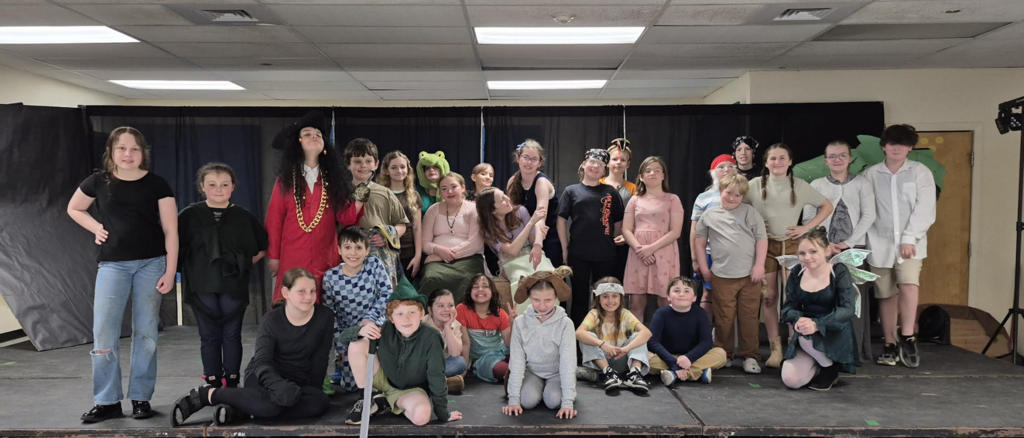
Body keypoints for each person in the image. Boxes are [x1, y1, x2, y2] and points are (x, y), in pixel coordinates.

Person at [68, 126, 178, 422]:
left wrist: (171, 270)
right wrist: (96, 228)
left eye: (134, 149)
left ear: (143, 153)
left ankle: (141, 397)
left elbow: (171, 229)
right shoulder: (98, 181)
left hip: (151, 264)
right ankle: (107, 401)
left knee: (146, 334)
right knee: (104, 331)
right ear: (111, 152)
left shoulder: (157, 184)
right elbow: (75, 208)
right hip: (113, 265)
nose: (128, 154)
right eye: (121, 148)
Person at [169, 268, 333, 427]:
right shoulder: (271, 320)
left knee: (319, 403)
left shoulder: (325, 316)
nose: (309, 297)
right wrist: (278, 386)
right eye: (302, 291)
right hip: (263, 376)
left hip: (297, 381)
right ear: (286, 292)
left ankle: (242, 411)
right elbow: (262, 362)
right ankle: (208, 395)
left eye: (312, 291)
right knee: (273, 404)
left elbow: (320, 359)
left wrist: (312, 391)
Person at [178, 163, 268, 389]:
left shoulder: (243, 217)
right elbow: (175, 246)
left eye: (224, 185)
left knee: (231, 334)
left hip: (233, 285)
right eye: (212, 185)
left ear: (233, 187)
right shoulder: (189, 215)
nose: (219, 189)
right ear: (202, 187)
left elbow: (261, 247)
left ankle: (232, 379)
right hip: (201, 285)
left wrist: (243, 264)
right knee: (208, 335)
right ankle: (212, 379)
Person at [744, 143, 833, 369]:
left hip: (793, 246)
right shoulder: (754, 185)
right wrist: (752, 219)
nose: (777, 162)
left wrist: (807, 228)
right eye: (773, 158)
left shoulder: (800, 185)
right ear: (765, 163)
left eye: (782, 158)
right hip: (765, 245)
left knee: (792, 297)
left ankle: (796, 344)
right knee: (769, 297)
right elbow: (736, 207)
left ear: (790, 161)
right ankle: (776, 348)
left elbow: (826, 206)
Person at [265, 111, 363, 302]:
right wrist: (274, 256)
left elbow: (346, 218)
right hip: (292, 254)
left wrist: (359, 201)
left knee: (324, 303)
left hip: (325, 254)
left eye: (318, 134)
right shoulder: (285, 180)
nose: (315, 136)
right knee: (293, 302)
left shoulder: (334, 180)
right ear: (298, 143)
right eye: (308, 133)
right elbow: (274, 219)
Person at [864, 124, 936, 368]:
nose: (897, 147)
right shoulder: (870, 174)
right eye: (892, 143)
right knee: (885, 295)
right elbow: (864, 209)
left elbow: (925, 208)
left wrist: (909, 237)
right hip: (878, 242)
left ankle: (907, 336)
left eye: (903, 143)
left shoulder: (920, 172)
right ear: (884, 146)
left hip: (911, 244)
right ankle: (889, 343)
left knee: (908, 285)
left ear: (910, 147)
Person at [341, 284, 463, 426]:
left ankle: (385, 402)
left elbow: (437, 375)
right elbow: (343, 338)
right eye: (399, 314)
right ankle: (367, 399)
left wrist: (443, 413)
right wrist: (360, 331)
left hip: (411, 389)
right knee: (357, 344)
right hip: (383, 379)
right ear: (391, 318)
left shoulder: (431, 337)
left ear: (422, 314)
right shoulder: (386, 328)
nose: (406, 319)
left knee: (421, 417)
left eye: (412, 312)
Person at [802, 140, 877, 362]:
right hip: (823, 252)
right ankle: (825, 351)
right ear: (826, 161)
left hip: (854, 249)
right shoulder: (817, 184)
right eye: (832, 156)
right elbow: (808, 218)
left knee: (852, 300)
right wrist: (825, 244)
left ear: (850, 158)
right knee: (824, 299)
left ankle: (853, 351)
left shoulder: (862, 184)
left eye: (842, 156)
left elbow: (868, 215)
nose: (837, 160)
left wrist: (848, 243)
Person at [695, 174, 768, 374]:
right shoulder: (709, 215)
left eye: (737, 195)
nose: (732, 198)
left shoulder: (750, 213)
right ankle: (723, 353)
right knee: (723, 317)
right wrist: (704, 268)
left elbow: (761, 239)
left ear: (742, 196)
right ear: (721, 191)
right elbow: (700, 243)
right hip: (722, 275)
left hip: (749, 276)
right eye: (728, 193)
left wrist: (759, 266)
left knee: (749, 317)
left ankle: (750, 355)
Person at [780, 229, 861, 390]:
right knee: (791, 380)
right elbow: (788, 306)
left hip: (833, 329)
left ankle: (829, 370)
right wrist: (798, 319)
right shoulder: (797, 272)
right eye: (802, 253)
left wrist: (817, 324)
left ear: (827, 251)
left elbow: (847, 308)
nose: (807, 257)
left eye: (813, 251)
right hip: (807, 332)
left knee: (806, 336)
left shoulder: (838, 271)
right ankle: (819, 362)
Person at [557, 148, 625, 328]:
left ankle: (603, 336)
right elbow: (561, 219)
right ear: (584, 164)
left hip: (606, 254)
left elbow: (618, 221)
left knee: (604, 297)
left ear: (604, 170)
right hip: (578, 253)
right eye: (592, 163)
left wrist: (616, 239)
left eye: (601, 165)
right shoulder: (571, 191)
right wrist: (564, 248)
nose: (595, 167)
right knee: (579, 298)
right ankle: (578, 342)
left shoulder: (611, 192)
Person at [322, 227, 392, 393]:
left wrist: (370, 317)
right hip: (349, 335)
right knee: (351, 386)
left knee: (378, 383)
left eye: (359, 247)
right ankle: (343, 367)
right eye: (347, 247)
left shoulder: (374, 265)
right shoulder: (330, 277)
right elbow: (330, 314)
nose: (353, 253)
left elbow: (387, 293)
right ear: (339, 249)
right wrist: (340, 346)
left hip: (375, 327)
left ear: (367, 250)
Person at [503, 271, 578, 420]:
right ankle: (534, 389)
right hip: (532, 372)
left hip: (557, 373)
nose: (542, 306)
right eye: (536, 300)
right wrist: (513, 400)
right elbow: (517, 362)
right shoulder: (520, 322)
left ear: (556, 297)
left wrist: (567, 403)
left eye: (548, 300)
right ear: (530, 297)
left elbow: (568, 363)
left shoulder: (565, 324)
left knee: (554, 401)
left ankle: (560, 389)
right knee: (526, 401)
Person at [475, 187, 559, 312]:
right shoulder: (488, 228)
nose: (507, 199)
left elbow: (532, 240)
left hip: (529, 254)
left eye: (505, 195)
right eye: (502, 200)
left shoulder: (521, 211)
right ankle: (525, 318)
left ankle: (552, 315)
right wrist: (531, 223)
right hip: (510, 261)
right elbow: (512, 251)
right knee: (520, 281)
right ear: (492, 210)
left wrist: (538, 237)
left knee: (550, 274)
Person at [622, 156, 684, 323]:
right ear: (641, 176)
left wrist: (651, 248)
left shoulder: (672, 199)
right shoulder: (634, 200)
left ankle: (664, 344)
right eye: (647, 171)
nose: (652, 174)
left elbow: (675, 231)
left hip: (663, 252)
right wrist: (640, 249)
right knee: (636, 303)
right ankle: (637, 345)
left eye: (657, 170)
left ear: (663, 175)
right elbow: (626, 229)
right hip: (638, 253)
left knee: (665, 302)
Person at [345, 138, 409, 287]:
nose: (363, 165)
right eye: (357, 161)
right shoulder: (340, 192)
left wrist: (386, 236)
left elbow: (401, 224)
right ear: (348, 165)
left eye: (368, 161)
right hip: (349, 255)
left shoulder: (385, 193)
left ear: (376, 164)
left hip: (380, 256)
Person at [575, 277, 652, 394]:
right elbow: (579, 333)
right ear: (598, 299)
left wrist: (627, 348)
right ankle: (608, 373)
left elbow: (647, 333)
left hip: (622, 358)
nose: (610, 300)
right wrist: (602, 344)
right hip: (601, 360)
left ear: (621, 298)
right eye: (605, 296)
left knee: (639, 336)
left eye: (614, 296)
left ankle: (634, 373)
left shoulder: (625, 314)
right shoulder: (594, 314)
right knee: (586, 336)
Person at [646, 277, 727, 386]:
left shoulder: (701, 314)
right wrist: (673, 362)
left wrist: (689, 358)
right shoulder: (661, 314)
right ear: (668, 296)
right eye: (676, 291)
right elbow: (653, 342)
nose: (681, 294)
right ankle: (697, 372)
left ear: (694, 298)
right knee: (645, 359)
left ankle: (675, 374)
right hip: (667, 356)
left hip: (693, 357)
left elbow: (706, 342)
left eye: (686, 291)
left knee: (721, 354)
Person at [420, 172, 485, 302]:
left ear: (463, 187)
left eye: (453, 186)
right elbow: (424, 242)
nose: (449, 191)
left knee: (467, 280)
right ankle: (429, 318)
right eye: (444, 188)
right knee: (431, 277)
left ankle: (461, 318)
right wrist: (438, 250)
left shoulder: (474, 209)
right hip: (437, 262)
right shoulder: (433, 209)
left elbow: (475, 244)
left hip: (469, 258)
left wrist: (443, 255)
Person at [689, 155, 738, 315]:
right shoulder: (704, 198)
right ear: (713, 172)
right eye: (721, 167)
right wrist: (695, 258)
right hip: (709, 253)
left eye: (730, 166)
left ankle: (727, 337)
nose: (726, 170)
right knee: (708, 292)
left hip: (735, 254)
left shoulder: (745, 196)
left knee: (732, 296)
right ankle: (706, 334)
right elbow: (694, 230)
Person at [507, 139, 562, 268]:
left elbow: (540, 217)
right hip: (524, 240)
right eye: (526, 157)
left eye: (534, 159)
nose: (529, 162)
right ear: (518, 158)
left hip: (547, 238)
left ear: (540, 163)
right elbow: (510, 214)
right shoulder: (512, 181)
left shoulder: (541, 182)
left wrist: (538, 245)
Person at [457, 274, 514, 384]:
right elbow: (465, 343)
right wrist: (462, 372)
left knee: (525, 359)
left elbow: (508, 343)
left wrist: (513, 324)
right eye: (475, 286)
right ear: (470, 291)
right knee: (504, 370)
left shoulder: (500, 312)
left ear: (492, 291)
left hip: (503, 350)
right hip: (484, 358)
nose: (480, 289)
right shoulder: (462, 309)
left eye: (485, 286)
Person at [379, 151, 424, 279]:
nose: (399, 171)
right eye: (394, 167)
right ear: (387, 171)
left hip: (408, 253)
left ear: (408, 169)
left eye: (402, 167)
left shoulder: (414, 195)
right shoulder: (380, 194)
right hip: (385, 252)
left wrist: (418, 256)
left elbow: (417, 228)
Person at [600, 139, 636, 279]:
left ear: (628, 164)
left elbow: (638, 216)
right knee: (600, 281)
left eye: (623, 160)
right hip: (600, 241)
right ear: (607, 162)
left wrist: (628, 236)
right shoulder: (597, 185)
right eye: (614, 159)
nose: (618, 162)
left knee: (621, 280)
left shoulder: (633, 188)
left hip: (623, 241)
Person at [422, 289, 468, 393]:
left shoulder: (455, 325)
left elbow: (455, 353)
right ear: (430, 310)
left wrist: (447, 327)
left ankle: (432, 383)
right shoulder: (423, 324)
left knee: (460, 363)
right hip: (423, 366)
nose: (447, 309)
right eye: (440, 306)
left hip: (442, 365)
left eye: (451, 305)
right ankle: (440, 382)